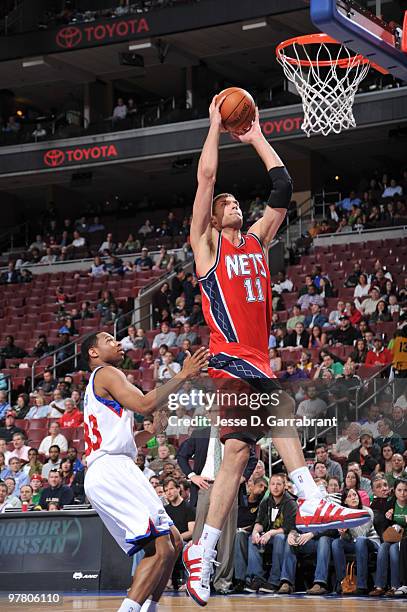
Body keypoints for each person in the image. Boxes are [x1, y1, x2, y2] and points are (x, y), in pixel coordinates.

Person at [182, 97, 369, 606]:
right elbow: (204, 180)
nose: (234, 205)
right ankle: (311, 497)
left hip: (257, 358)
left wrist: (257, 136)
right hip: (229, 355)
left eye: (236, 203)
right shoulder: (208, 247)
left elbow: (283, 188)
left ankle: (203, 549)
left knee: (237, 456)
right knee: (281, 404)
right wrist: (217, 128)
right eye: (227, 204)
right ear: (214, 217)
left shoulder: (257, 243)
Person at [80, 331, 208, 612]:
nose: (118, 343)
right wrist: (183, 375)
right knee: (160, 546)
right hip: (111, 469)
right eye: (109, 339)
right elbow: (144, 404)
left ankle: (149, 607)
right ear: (94, 352)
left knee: (173, 541)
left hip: (117, 465)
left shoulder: (102, 383)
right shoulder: (105, 372)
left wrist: (152, 431)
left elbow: (132, 438)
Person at [244, 474, 296, 593]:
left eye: (279, 484)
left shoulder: (290, 502)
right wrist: (256, 531)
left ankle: (274, 581)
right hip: (269, 535)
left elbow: (289, 527)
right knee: (252, 538)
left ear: (284, 487)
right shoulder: (266, 502)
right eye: (272, 484)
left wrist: (271, 533)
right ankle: (257, 578)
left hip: (285, 536)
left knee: (279, 537)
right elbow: (259, 521)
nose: (275, 487)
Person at [332, 488, 380, 595]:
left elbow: (361, 534)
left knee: (360, 540)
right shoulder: (342, 515)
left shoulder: (366, 511)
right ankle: (343, 582)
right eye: (349, 496)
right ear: (345, 501)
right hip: (355, 543)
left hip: (371, 542)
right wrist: (343, 534)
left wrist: (348, 525)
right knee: (336, 543)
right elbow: (347, 539)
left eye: (355, 494)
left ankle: (361, 585)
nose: (353, 497)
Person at [369, 478, 407, 596]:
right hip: (393, 537)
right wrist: (387, 519)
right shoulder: (390, 505)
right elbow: (383, 528)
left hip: (405, 539)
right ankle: (380, 586)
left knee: (394, 549)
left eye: (405, 490)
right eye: (399, 490)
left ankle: (395, 586)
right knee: (383, 547)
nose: (402, 493)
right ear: (394, 491)